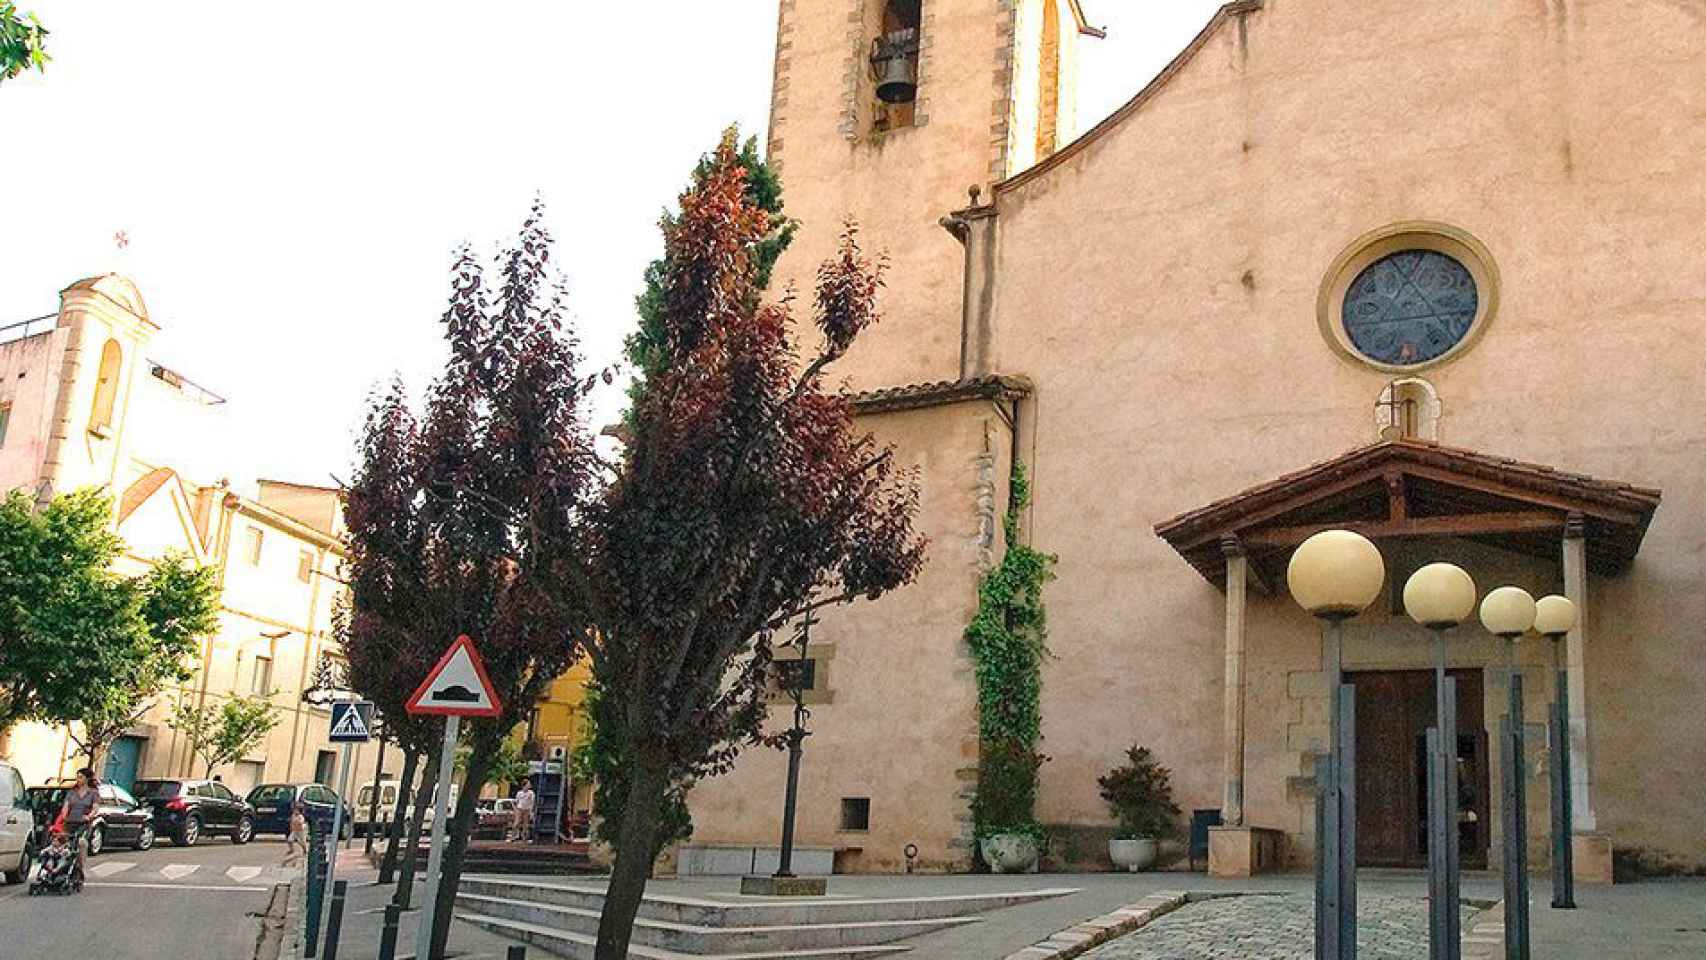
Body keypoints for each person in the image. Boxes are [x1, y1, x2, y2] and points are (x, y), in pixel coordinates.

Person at [57, 768, 99, 879]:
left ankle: (79, 869)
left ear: (87, 779)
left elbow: (95, 808)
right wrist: (65, 815)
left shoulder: (93, 793)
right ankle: (60, 867)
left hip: (83, 824)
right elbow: (66, 806)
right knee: (61, 843)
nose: (78, 779)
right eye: (77, 777)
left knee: (81, 843)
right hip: (69, 822)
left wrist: (89, 816)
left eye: (80, 777)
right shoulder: (72, 792)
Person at [282, 800, 308, 867]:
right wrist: (291, 827)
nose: (294, 812)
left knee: (302, 842)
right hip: (295, 831)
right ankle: (291, 849)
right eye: (294, 810)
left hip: (301, 831)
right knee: (290, 840)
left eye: (296, 810)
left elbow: (301, 822)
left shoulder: (300, 816)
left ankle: (305, 849)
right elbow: (291, 822)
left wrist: (298, 822)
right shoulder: (293, 815)